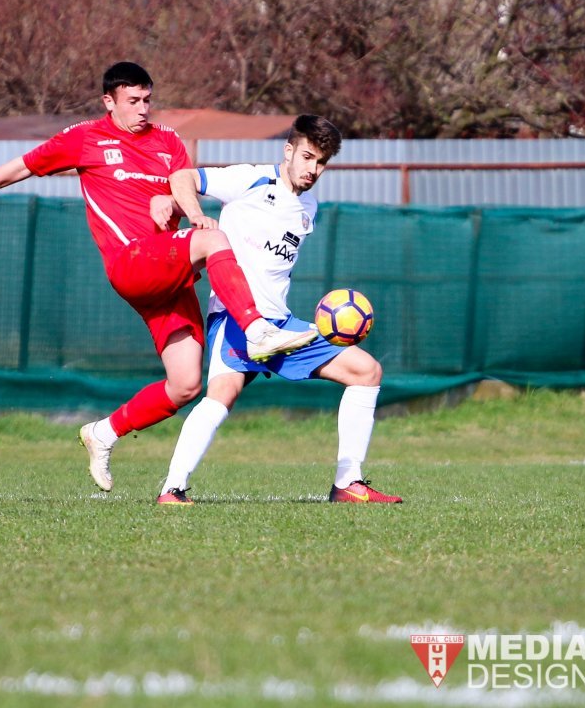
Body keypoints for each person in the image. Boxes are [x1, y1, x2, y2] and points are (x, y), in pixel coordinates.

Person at [0, 62, 316, 491]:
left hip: (169, 273)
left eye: (147, 99)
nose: (143, 109)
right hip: (130, 263)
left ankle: (102, 433)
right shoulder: (85, 138)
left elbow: (181, 187)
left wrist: (169, 199)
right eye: (133, 101)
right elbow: (19, 168)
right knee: (212, 236)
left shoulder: (168, 141)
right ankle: (257, 329)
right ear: (108, 102)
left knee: (185, 384)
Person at [153, 114, 401, 505]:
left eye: (321, 162)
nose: (313, 169)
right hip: (237, 318)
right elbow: (183, 176)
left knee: (367, 372)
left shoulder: (309, 205)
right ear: (288, 150)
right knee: (223, 391)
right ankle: (172, 489)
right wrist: (195, 213)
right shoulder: (250, 179)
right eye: (307, 157)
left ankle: (348, 484)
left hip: (281, 324)